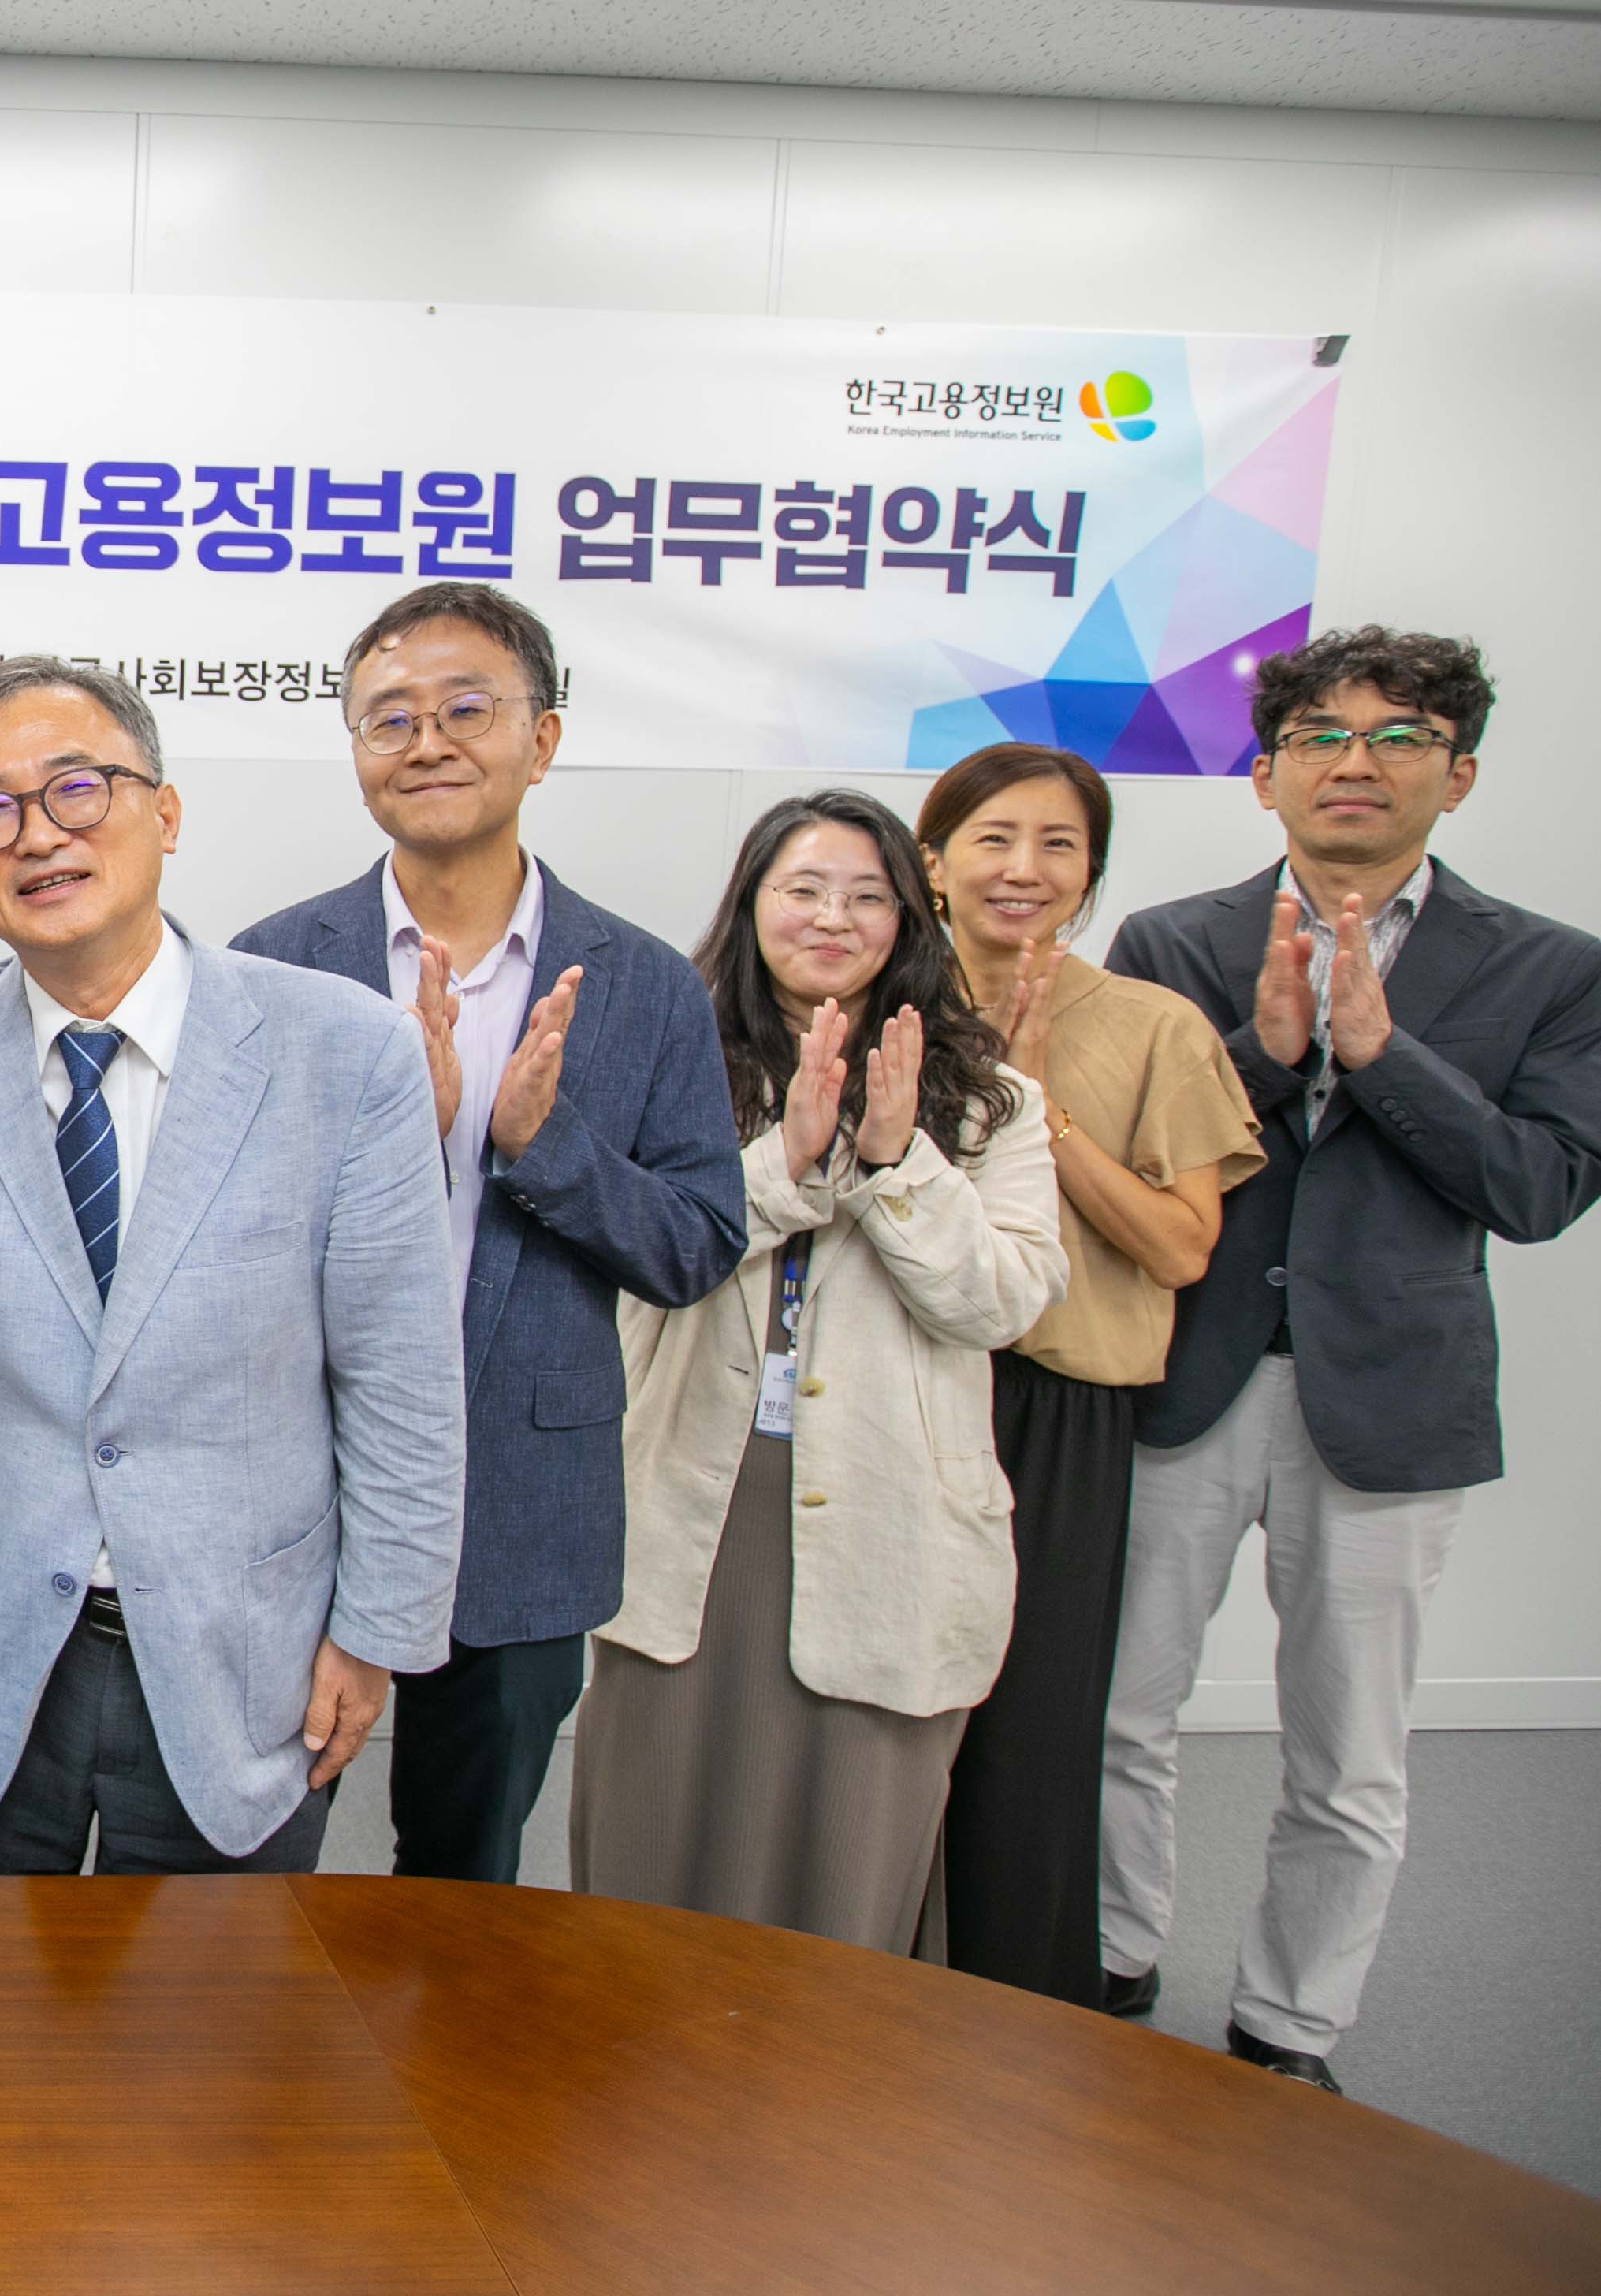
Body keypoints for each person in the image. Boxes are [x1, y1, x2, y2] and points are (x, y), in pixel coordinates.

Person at [0, 658, 465, 1874]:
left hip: (250, 1658)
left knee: (208, 2042)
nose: (38, 835)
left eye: (78, 789)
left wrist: (375, 1632)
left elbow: (401, 1381)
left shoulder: (348, 1053)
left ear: (165, 815)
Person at [1099, 628, 1601, 2094]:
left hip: (1391, 1396)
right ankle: (1111, 1957)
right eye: (1322, 735)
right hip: (1184, 1380)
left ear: (1461, 772)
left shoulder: (1554, 970)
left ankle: (1290, 2027)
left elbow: (1538, 1190)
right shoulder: (1172, 943)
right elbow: (1129, 1171)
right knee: (1120, 1709)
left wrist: (1382, 1056)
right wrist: (1261, 1058)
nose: (1357, 761)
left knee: (1349, 1751)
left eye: (1399, 736)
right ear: (1266, 778)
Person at [231, 587, 744, 1884]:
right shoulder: (271, 970)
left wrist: (541, 1150)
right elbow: (207, 1246)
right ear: (354, 753)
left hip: (523, 1500)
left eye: (468, 709)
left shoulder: (643, 982)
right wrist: (390, 1144)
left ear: (544, 737)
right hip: (299, 1488)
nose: (428, 742)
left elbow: (694, 1247)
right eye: (388, 718)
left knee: (466, 1883)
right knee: (251, 1851)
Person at [572, 791, 1063, 1953]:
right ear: (751, 906)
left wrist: (898, 1162)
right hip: (698, 1497)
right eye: (802, 890)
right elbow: (625, 1269)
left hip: (892, 1512)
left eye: (866, 895)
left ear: (909, 918)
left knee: (847, 1850)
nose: (832, 917)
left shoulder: (995, 1103)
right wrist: (781, 1163)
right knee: (660, 1831)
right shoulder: (659, 1070)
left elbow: (1001, 1302)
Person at [911, 744, 1261, 2006]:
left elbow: (1180, 1246)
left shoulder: (1153, 1027)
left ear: (1092, 876)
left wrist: (1037, 1108)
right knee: (877, 1716)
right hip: (899, 1397)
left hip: (1057, 1413)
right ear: (932, 861)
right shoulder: (873, 1009)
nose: (1024, 869)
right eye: (994, 838)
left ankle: (1013, 2015)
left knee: (1031, 1728)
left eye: (1058, 845)